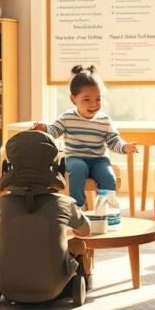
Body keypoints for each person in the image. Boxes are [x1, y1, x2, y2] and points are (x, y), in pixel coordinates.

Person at [0, 130, 91, 303]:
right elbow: (86, 230)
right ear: (58, 167)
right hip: (52, 286)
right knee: (78, 245)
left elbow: (0, 231)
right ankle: (82, 282)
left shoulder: (4, 203)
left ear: (8, 167)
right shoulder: (64, 203)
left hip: (6, 285)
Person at [32, 65, 137, 208]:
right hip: (76, 157)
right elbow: (54, 131)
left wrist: (124, 147)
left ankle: (104, 207)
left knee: (108, 177)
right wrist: (43, 128)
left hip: (99, 160)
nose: (94, 104)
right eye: (87, 99)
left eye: (98, 99)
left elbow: (114, 141)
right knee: (78, 169)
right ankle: (78, 207)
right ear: (73, 99)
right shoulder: (67, 118)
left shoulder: (104, 120)